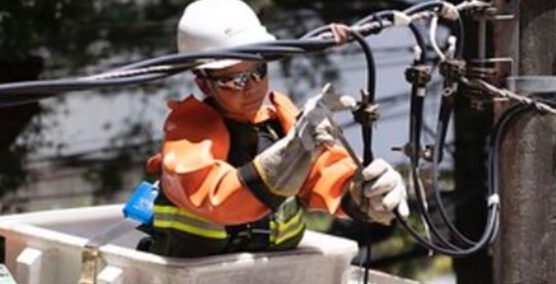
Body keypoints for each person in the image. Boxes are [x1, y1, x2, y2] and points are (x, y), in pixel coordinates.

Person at [141, 0, 409, 257]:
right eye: (235, 81)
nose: (252, 87)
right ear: (203, 84)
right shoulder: (188, 137)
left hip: (273, 281)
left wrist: (363, 194)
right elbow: (218, 197)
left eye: (259, 71)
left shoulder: (281, 122)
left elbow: (325, 173)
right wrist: (290, 153)